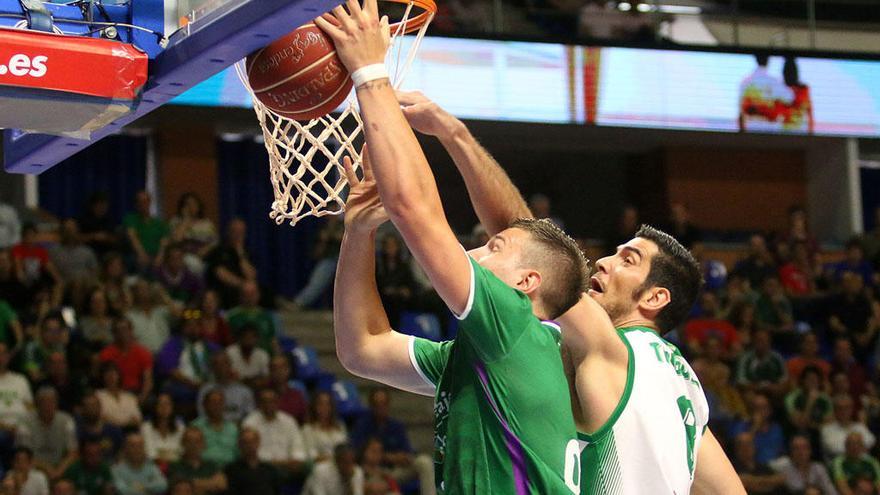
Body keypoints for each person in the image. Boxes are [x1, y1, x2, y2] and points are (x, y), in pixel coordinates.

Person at [384, 88, 744, 491]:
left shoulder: (616, 348)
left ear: (655, 298)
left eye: (628, 260)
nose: (605, 261)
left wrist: (455, 135)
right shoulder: (687, 389)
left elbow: (524, 239)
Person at [319, 8, 588, 493]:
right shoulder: (487, 355)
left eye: (495, 245)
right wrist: (358, 234)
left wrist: (369, 71)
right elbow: (362, 350)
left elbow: (414, 209)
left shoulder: (514, 325)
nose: (475, 251)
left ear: (527, 284)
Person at [156, 313, 218, 410]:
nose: (193, 329)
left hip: (208, 384)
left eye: (197, 325)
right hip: (183, 385)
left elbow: (222, 362)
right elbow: (169, 368)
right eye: (189, 325)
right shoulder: (173, 344)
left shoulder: (209, 346)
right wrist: (191, 383)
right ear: (183, 327)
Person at [241, 388, 309, 478]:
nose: (268, 405)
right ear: (259, 404)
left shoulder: (289, 421)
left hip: (287, 467)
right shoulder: (250, 422)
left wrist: (295, 460)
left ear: (278, 402)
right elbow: (249, 452)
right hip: (260, 469)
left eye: (272, 401)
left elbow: (297, 447)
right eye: (265, 401)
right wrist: (274, 463)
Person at [17, 387, 78, 481]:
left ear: (57, 403)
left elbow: (73, 453)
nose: (48, 406)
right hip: (34, 468)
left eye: (52, 402)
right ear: (37, 404)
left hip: (60, 466)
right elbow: (24, 455)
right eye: (44, 402)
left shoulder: (67, 420)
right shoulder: (25, 422)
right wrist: (47, 469)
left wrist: (58, 471)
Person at [292, 215, 344, 309]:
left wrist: (332, 235)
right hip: (330, 259)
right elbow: (316, 253)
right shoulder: (323, 228)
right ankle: (299, 303)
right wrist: (324, 240)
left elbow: (345, 239)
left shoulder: (345, 224)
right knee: (319, 278)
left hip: (347, 260)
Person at [204, 219, 257, 309]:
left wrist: (240, 253)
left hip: (245, 289)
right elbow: (221, 273)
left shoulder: (246, 252)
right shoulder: (219, 250)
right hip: (224, 288)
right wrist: (242, 285)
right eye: (235, 232)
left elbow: (251, 276)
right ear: (229, 232)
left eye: (241, 232)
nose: (238, 235)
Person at [98, 317, 153, 403]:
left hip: (135, 392)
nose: (122, 333)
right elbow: (104, 380)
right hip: (114, 392)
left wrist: (141, 398)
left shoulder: (143, 352)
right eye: (118, 330)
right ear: (114, 333)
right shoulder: (106, 354)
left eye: (125, 329)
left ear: (131, 331)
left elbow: (148, 381)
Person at [739, 53, 794, 132]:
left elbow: (741, 113)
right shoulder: (775, 82)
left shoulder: (745, 82)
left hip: (751, 133)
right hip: (771, 133)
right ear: (768, 60)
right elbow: (790, 98)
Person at [729, 392, 787, 465]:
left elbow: (780, 450)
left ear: (769, 410)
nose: (760, 412)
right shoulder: (741, 426)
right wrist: (755, 427)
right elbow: (743, 448)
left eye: (764, 408)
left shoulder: (776, 429)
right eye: (757, 408)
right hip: (749, 465)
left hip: (774, 465)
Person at [168, 192, 218, 277]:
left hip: (205, 253)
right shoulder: (176, 221)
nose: (191, 207)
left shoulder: (207, 223)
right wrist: (186, 220)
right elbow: (176, 240)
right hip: (185, 255)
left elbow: (215, 241)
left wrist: (206, 249)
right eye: (188, 204)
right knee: (193, 263)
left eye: (194, 204)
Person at [769, 435, 837, 495]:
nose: (801, 452)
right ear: (791, 451)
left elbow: (831, 491)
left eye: (804, 448)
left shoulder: (818, 468)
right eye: (796, 448)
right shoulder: (784, 470)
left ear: (810, 451)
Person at [167, 427, 227, 495]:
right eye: (189, 441)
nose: (193, 445)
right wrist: (210, 483)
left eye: (197, 441)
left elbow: (222, 484)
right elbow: (182, 489)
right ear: (182, 443)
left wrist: (196, 484)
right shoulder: (175, 466)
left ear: (204, 444)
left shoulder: (211, 465)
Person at [196, 353, 254, 423]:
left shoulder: (244, 391)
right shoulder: (205, 390)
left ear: (230, 366)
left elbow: (250, 417)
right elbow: (202, 415)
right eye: (217, 364)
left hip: (239, 429)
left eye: (224, 364)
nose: (221, 368)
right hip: (212, 429)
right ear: (213, 368)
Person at [48, 219, 98, 295]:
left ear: (77, 231)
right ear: (63, 232)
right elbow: (50, 269)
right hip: (64, 282)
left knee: (80, 282)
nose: (70, 233)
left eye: (72, 229)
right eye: (67, 230)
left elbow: (94, 271)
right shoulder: (54, 251)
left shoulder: (87, 251)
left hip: (85, 283)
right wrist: (59, 280)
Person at [125, 279, 176, 354]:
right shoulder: (130, 315)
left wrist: (163, 295)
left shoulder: (161, 311)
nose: (144, 291)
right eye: (141, 289)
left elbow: (177, 314)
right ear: (134, 293)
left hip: (165, 356)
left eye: (147, 288)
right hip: (144, 357)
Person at [224, 428, 281, 495]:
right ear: (239, 445)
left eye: (252, 442)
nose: (249, 446)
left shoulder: (270, 470)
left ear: (258, 443)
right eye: (245, 442)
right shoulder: (230, 470)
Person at [225, 282, 277, 355]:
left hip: (265, 357)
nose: (249, 297)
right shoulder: (231, 316)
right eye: (246, 294)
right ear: (240, 296)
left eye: (252, 294)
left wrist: (276, 354)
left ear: (258, 295)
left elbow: (273, 340)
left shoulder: (266, 316)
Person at [123, 191, 169, 270]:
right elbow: (132, 237)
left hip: (157, 255)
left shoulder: (159, 223)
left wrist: (160, 256)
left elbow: (164, 241)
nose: (143, 204)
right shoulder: (131, 219)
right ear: (136, 204)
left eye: (145, 201)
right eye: (140, 202)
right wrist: (141, 254)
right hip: (138, 255)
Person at [735, 329, 788, 398]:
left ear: (769, 342)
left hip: (773, 391)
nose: (760, 343)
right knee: (749, 395)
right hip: (753, 391)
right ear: (753, 341)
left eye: (764, 340)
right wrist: (761, 387)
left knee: (783, 392)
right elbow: (741, 383)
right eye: (758, 340)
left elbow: (784, 380)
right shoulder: (744, 358)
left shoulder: (777, 358)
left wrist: (776, 388)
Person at [191, 390, 238, 467]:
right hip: (204, 469)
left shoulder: (233, 428)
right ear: (204, 405)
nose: (217, 406)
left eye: (220, 403)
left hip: (231, 469)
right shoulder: (195, 427)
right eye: (213, 403)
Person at [821, 395, 876, 460]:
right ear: (834, 410)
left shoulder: (859, 426)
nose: (844, 411)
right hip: (839, 465)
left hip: (864, 465)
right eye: (840, 408)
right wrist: (860, 446)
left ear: (851, 410)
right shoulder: (827, 429)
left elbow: (871, 441)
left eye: (847, 408)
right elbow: (835, 449)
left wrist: (850, 447)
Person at [784, 365, 833, 434]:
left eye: (815, 379)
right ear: (803, 381)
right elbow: (800, 425)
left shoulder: (825, 399)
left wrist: (811, 425)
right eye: (809, 379)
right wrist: (810, 401)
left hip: (820, 434)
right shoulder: (792, 397)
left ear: (819, 382)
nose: (812, 382)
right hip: (798, 434)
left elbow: (828, 425)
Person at [75, 393, 123, 462]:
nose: (92, 409)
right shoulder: (78, 432)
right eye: (88, 406)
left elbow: (120, 454)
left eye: (95, 405)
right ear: (82, 410)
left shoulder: (114, 430)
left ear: (100, 408)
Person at [302, 391, 347, 462]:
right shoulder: (308, 429)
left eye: (327, 404)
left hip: (342, 466)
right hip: (320, 467)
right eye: (320, 404)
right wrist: (334, 459)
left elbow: (346, 450)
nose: (324, 407)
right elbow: (312, 456)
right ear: (314, 406)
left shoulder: (340, 426)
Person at [140, 394, 184, 466]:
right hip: (153, 466)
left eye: (167, 404)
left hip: (176, 466)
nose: (164, 407)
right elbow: (150, 453)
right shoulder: (146, 427)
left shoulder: (180, 427)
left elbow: (181, 451)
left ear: (172, 407)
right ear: (155, 407)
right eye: (160, 404)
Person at [95, 362, 142, 429]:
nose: (111, 377)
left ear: (119, 375)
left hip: (130, 431)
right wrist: (119, 425)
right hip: (109, 431)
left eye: (114, 373)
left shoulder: (129, 397)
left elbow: (137, 419)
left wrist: (123, 425)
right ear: (102, 377)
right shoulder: (98, 395)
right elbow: (102, 418)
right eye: (107, 374)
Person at [225, 325, 270, 389]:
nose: (249, 341)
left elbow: (266, 377)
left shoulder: (262, 354)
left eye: (252, 338)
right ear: (239, 338)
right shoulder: (230, 352)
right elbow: (231, 377)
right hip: (234, 388)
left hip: (257, 388)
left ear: (257, 339)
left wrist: (246, 381)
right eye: (246, 337)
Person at [268, 356, 308, 424]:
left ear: (288, 370)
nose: (279, 371)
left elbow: (305, 421)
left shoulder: (297, 396)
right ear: (270, 372)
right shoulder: (263, 396)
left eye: (282, 367)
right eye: (275, 368)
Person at [78, 192, 118, 258]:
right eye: (99, 205)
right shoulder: (83, 220)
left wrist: (107, 238)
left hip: (107, 253)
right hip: (88, 251)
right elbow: (77, 238)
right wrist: (94, 236)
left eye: (104, 205)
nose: (102, 208)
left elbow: (116, 240)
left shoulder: (110, 220)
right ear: (93, 205)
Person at [780, 56, 814, 134]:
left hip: (798, 131)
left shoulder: (804, 90)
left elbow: (809, 114)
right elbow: (810, 114)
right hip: (787, 131)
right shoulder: (804, 90)